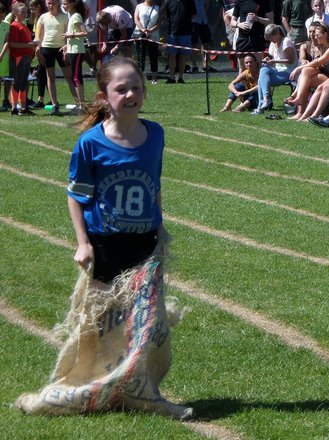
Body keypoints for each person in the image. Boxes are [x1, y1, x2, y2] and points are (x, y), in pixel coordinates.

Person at [14, 57, 192, 420]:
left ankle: (142, 391)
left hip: (146, 245)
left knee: (145, 325)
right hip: (107, 246)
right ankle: (94, 384)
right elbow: (76, 196)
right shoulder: (91, 144)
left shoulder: (155, 133)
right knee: (101, 328)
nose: (131, 94)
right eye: (121, 89)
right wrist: (83, 242)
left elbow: (154, 183)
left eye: (136, 87)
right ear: (104, 97)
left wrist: (160, 224)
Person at [37, 0, 76, 115]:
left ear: (58, 4)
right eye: (48, 3)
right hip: (47, 48)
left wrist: (67, 48)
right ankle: (54, 105)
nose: (50, 5)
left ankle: (79, 103)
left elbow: (69, 35)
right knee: (50, 77)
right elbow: (39, 37)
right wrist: (37, 50)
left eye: (53, 3)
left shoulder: (65, 17)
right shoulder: (43, 17)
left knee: (69, 77)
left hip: (61, 49)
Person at [252, 24, 298, 114]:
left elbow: (291, 61)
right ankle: (266, 99)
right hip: (277, 69)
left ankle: (260, 107)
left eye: (271, 38)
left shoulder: (286, 42)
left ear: (277, 34)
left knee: (261, 80)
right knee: (263, 70)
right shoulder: (273, 44)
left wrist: (274, 61)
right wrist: (268, 60)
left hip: (289, 71)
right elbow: (274, 58)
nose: (271, 41)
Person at [7, 2, 38, 115]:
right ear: (15, 13)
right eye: (22, 12)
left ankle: (23, 107)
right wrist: (30, 45)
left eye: (26, 11)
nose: (25, 14)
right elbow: (12, 44)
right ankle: (14, 107)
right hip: (18, 57)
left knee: (24, 82)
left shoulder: (23, 25)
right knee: (18, 82)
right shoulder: (14, 26)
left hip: (26, 57)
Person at [164, 0, 196, 84]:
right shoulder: (169, 2)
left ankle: (180, 77)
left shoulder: (189, 1)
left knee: (183, 55)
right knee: (172, 55)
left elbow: (193, 15)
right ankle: (171, 77)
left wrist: (186, 24)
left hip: (185, 33)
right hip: (172, 33)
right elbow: (167, 17)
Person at [63, 0, 87, 112]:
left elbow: (84, 32)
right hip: (72, 50)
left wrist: (70, 35)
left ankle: (81, 105)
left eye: (65, 4)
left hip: (77, 51)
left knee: (76, 77)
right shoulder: (72, 16)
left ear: (72, 4)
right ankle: (80, 104)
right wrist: (66, 47)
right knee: (75, 77)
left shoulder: (77, 16)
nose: (63, 6)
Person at [134, 0, 161, 84]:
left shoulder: (157, 8)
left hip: (153, 35)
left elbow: (159, 22)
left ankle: (154, 78)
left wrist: (150, 30)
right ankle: (140, 79)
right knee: (140, 56)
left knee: (153, 56)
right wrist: (143, 29)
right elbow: (136, 19)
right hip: (140, 34)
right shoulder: (139, 6)